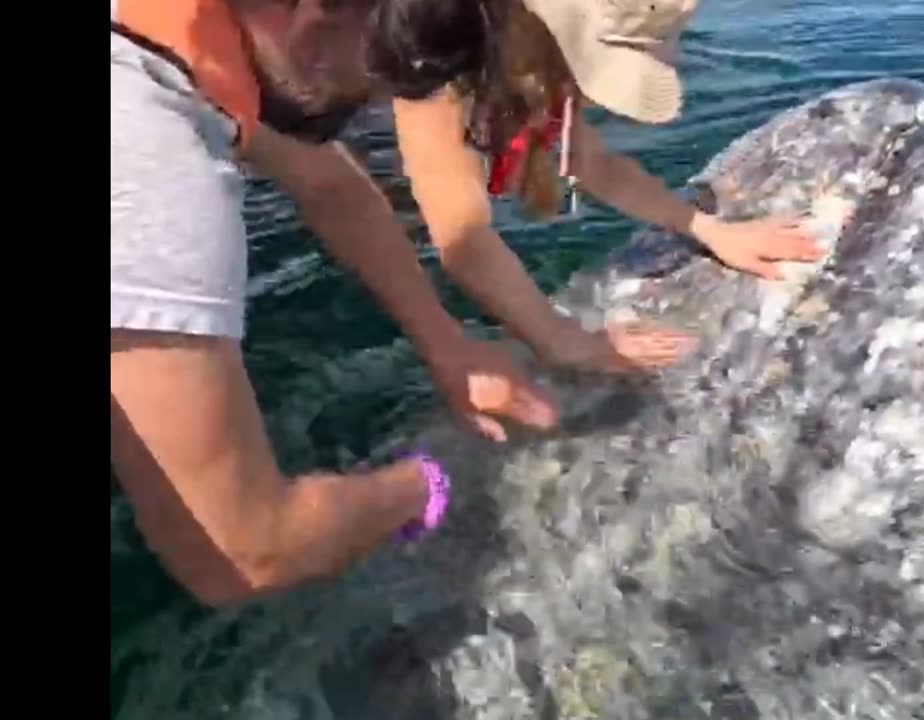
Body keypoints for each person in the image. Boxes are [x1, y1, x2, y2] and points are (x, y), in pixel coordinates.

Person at [110, 0, 556, 607]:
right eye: (404, 53)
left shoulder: (174, 35)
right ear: (316, 21)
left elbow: (332, 185)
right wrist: (421, 485)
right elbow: (244, 552)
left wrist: (449, 345)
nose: (384, 97)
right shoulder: (153, 163)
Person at [382, 0, 825, 374]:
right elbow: (462, 237)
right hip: (364, 91)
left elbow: (595, 164)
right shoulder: (435, 35)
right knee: (393, 206)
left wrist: (708, 230)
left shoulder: (537, 50)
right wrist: (563, 340)